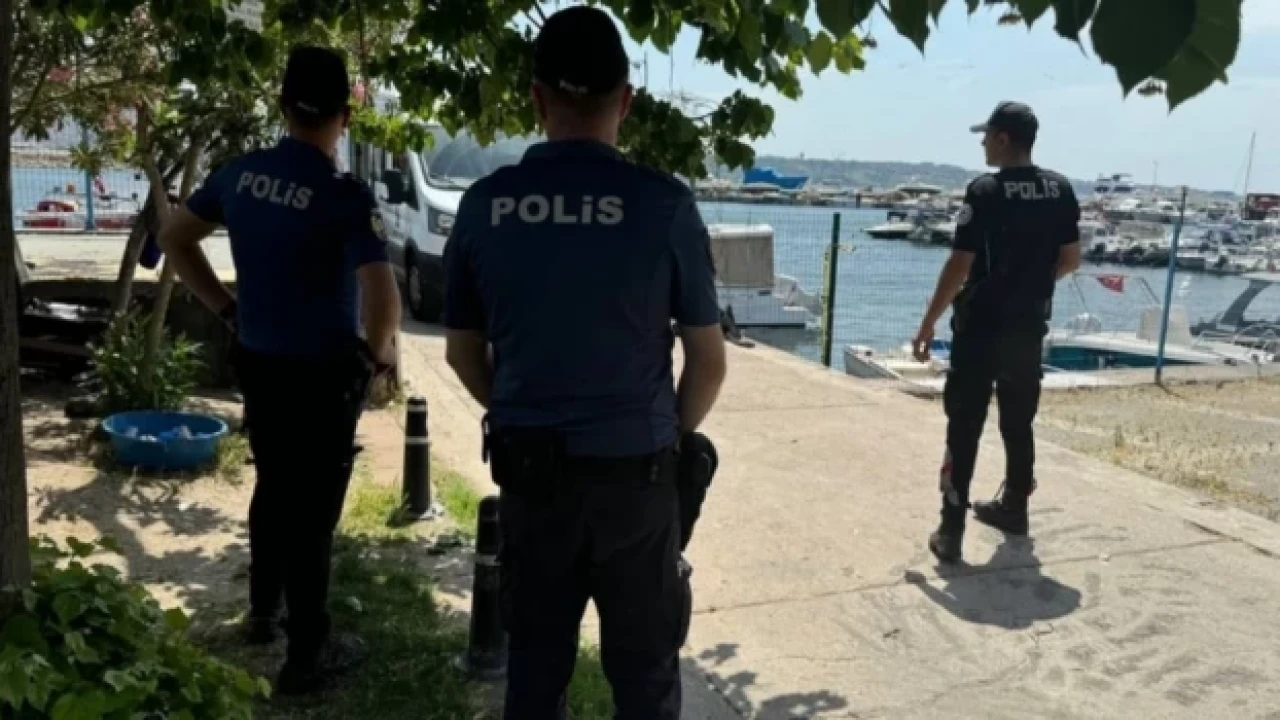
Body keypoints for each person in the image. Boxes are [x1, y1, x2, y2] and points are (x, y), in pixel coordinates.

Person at [440, 6, 727, 718]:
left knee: (535, 677)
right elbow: (708, 361)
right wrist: (670, 434)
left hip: (533, 480)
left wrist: (514, 407)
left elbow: (461, 351)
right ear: (625, 100)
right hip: (638, 481)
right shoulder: (664, 206)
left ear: (536, 99)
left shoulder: (484, 206)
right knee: (647, 683)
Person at [158, 45, 401, 694]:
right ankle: (307, 655)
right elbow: (383, 295)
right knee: (313, 511)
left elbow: (175, 237)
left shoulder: (239, 176)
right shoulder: (343, 194)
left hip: (259, 361)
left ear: (281, 105)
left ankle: (263, 610)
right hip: (323, 375)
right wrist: (377, 356)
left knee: (272, 483)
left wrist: (225, 308)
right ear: (345, 116)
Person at [911, 101, 1081, 564]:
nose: (983, 143)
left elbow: (959, 263)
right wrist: (1031, 284)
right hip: (1028, 327)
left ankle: (951, 529)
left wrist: (928, 322)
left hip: (981, 328)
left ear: (1004, 139)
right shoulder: (1060, 189)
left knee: (964, 425)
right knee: (1018, 422)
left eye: (986, 136)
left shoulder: (985, 190)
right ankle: (1014, 508)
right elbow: (1070, 260)